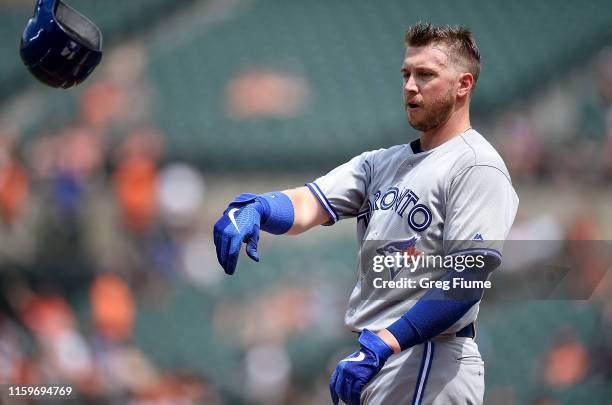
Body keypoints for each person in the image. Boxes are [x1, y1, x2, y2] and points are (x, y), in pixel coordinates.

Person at [213, 23, 518, 405]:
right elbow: (309, 203)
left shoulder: (476, 166)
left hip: (428, 358)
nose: (410, 85)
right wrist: (258, 208)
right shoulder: (382, 163)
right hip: (380, 355)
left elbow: (469, 275)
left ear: (463, 85)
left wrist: (384, 346)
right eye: (406, 74)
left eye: (426, 75)